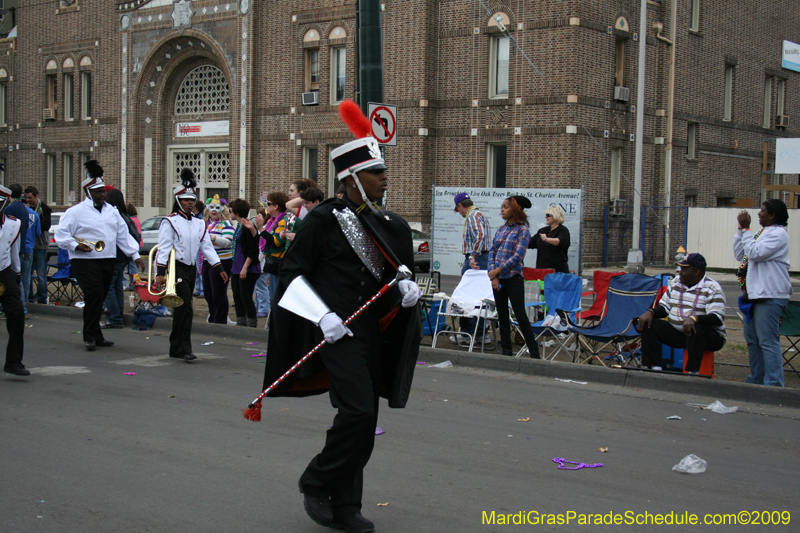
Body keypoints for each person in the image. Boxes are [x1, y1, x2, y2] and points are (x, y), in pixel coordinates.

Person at [263, 102, 420, 532]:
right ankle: (317, 480)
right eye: (377, 172)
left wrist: (404, 291)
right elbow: (290, 275)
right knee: (355, 414)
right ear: (352, 179)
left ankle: (347, 505)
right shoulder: (323, 220)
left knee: (364, 420)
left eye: (384, 171)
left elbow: (395, 277)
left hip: (371, 333)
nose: (385, 178)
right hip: (334, 333)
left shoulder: (391, 224)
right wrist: (323, 315)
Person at [55, 160, 144, 351]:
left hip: (107, 259)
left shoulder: (112, 211)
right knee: (94, 296)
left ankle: (97, 334)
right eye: (98, 192)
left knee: (100, 296)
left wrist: (135, 255)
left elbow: (123, 236)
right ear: (88, 192)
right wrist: (76, 245)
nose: (103, 194)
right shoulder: (75, 212)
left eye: (103, 191)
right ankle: (89, 335)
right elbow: (61, 236)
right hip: (84, 261)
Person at [155, 169, 228, 360]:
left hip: (191, 268)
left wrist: (218, 266)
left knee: (183, 309)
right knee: (186, 307)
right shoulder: (169, 222)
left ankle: (176, 347)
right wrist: (160, 273)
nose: (190, 203)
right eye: (186, 200)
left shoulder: (199, 223)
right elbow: (163, 249)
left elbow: (206, 247)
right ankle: (185, 348)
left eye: (192, 200)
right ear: (179, 200)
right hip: (176, 268)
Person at [734, 199, 792, 387]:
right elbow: (740, 253)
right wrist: (741, 230)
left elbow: (755, 252)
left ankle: (773, 384)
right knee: (753, 341)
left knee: (767, 341)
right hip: (755, 294)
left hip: (771, 294)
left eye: (763, 211)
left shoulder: (779, 234)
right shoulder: (762, 233)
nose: (759, 214)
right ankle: (756, 380)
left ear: (773, 215)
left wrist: (747, 230)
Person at [637, 253, 726, 373]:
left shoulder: (712, 288)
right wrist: (651, 312)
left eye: (684, 269)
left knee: (696, 329)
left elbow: (717, 318)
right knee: (647, 323)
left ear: (696, 272)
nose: (680, 272)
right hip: (680, 334)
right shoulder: (676, 282)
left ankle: (692, 372)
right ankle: (653, 367)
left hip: (708, 337)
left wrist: (695, 319)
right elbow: (665, 308)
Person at [488, 196, 540, 358]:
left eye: (506, 207)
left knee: (520, 315)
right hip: (498, 279)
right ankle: (506, 352)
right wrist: (493, 276)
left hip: (513, 278)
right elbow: (492, 251)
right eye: (501, 207)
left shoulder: (522, 230)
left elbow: (517, 256)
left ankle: (534, 353)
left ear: (515, 210)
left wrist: (497, 271)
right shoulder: (501, 229)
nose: (502, 210)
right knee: (502, 315)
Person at [454, 192, 492, 346]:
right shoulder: (479, 214)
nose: (460, 214)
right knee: (481, 296)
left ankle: (467, 333)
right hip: (484, 257)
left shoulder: (472, 216)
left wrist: (472, 256)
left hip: (478, 258)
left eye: (459, 210)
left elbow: (480, 235)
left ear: (460, 206)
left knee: (468, 296)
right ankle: (481, 333)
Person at [101, 189, 140, 329]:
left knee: (108, 286)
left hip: (115, 255)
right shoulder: (125, 215)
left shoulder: (114, 215)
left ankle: (115, 317)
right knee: (117, 285)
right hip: (124, 256)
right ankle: (118, 315)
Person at [0, 184, 28, 376]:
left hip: (4, 271)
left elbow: (13, 250)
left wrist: (16, 273)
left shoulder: (13, 223)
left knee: (17, 313)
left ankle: (14, 360)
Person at [228, 198, 261, 327]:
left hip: (247, 267)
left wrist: (245, 267)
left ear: (236, 211)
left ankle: (252, 324)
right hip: (236, 267)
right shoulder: (239, 226)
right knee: (237, 297)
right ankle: (241, 322)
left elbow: (253, 250)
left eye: (231, 210)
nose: (229, 212)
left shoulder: (248, 226)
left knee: (246, 297)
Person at [203, 195, 234, 324]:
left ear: (222, 209)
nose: (214, 211)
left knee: (218, 293)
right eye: (211, 208)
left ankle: (220, 320)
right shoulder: (206, 224)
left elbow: (228, 243)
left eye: (217, 208)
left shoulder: (225, 224)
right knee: (208, 292)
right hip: (207, 261)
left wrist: (212, 238)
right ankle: (213, 315)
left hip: (222, 262)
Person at [256, 192, 290, 308]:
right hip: (271, 260)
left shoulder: (283, 221)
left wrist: (261, 229)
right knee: (272, 294)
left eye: (269, 203)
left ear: (276, 206)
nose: (267, 206)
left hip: (278, 262)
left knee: (276, 295)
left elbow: (276, 241)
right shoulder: (272, 221)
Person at [25, 186, 52, 304]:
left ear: (36, 196)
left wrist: (34, 220)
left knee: (41, 275)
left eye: (30, 197)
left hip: (41, 245)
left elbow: (46, 226)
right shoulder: (25, 208)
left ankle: (42, 299)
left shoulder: (44, 208)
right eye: (26, 197)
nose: (28, 200)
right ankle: (30, 298)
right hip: (30, 246)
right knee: (28, 274)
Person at [528, 204, 571, 273]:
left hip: (558, 272)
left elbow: (560, 241)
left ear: (555, 215)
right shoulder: (542, 231)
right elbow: (529, 243)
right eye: (545, 215)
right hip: (542, 271)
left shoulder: (563, 230)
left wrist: (547, 239)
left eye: (548, 215)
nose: (545, 217)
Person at [20, 199, 41, 318]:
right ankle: (27, 300)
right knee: (27, 276)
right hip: (30, 247)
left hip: (19, 248)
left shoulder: (16, 212)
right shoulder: (34, 214)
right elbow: (38, 233)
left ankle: (21, 302)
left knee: (18, 277)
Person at [254, 207, 271, 319]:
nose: (257, 217)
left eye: (259, 216)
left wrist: (256, 260)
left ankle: (263, 308)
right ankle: (258, 306)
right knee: (257, 288)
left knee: (261, 287)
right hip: (258, 263)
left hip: (261, 264)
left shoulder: (264, 231)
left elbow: (262, 249)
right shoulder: (260, 230)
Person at [125, 203, 143, 290]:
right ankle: (134, 283)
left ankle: (133, 284)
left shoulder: (130, 220)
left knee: (131, 266)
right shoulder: (136, 219)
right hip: (139, 244)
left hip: (134, 245)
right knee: (132, 265)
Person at [192, 198, 206, 298]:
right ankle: (197, 289)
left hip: (200, 247)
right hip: (194, 246)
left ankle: (202, 290)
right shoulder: (193, 218)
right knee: (196, 269)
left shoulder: (201, 219)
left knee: (200, 268)